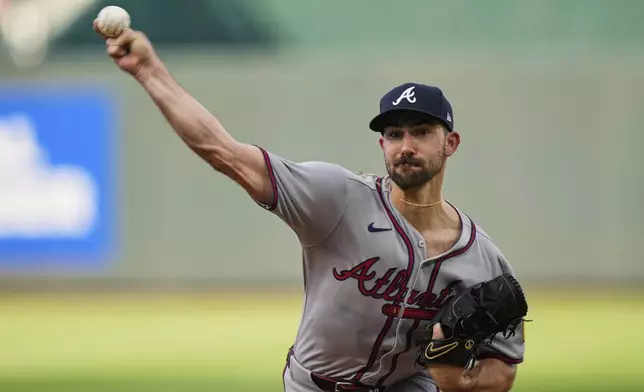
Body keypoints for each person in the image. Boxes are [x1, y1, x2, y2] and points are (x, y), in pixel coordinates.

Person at [94, 24, 525, 392]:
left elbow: (503, 369)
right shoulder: (337, 196)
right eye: (394, 134)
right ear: (382, 144)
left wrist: (460, 382)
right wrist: (149, 71)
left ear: (450, 143)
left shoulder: (480, 258)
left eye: (421, 131)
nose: (406, 146)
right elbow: (222, 151)